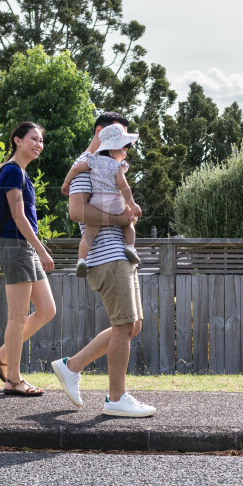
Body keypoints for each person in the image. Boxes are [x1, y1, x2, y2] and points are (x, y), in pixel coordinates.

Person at [52, 112, 156, 417]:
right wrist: (118, 218)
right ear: (100, 132)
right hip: (105, 255)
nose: (122, 145)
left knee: (131, 326)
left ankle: (71, 367)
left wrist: (129, 213)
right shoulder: (88, 163)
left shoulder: (110, 164)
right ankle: (116, 398)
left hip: (119, 254)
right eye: (117, 136)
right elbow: (76, 211)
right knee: (124, 325)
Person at [0, 122, 56, 396]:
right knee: (16, 317)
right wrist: (41, 248)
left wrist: (34, 248)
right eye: (33, 139)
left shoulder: (20, 173)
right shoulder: (12, 171)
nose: (38, 144)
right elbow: (18, 216)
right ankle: (13, 379)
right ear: (17, 140)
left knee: (47, 309)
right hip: (16, 246)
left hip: (23, 247)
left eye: (41, 140)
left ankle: (0, 356)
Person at [61, 123, 142, 278]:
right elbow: (124, 187)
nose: (125, 154)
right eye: (124, 150)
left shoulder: (93, 161)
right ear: (114, 149)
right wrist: (132, 204)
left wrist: (66, 182)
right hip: (115, 202)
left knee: (89, 236)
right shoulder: (117, 166)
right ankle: (130, 247)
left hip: (97, 203)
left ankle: (81, 260)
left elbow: (76, 169)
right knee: (128, 222)